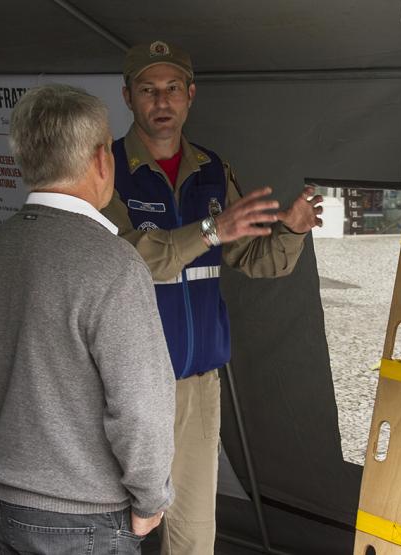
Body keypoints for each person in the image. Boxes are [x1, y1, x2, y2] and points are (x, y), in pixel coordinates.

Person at [101, 40, 323, 554]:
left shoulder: (212, 171)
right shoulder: (106, 169)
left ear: (190, 96)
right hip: (129, 384)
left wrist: (290, 230)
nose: (162, 101)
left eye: (173, 88)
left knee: (194, 534)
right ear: (128, 97)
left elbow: (253, 258)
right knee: (116, 526)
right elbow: (126, 257)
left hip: (199, 385)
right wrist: (209, 229)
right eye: (148, 89)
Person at [0, 84, 176, 554]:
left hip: (3, 502)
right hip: (86, 518)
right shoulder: (113, 264)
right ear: (102, 159)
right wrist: (150, 501)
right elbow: (141, 406)